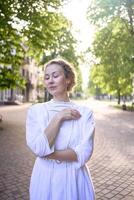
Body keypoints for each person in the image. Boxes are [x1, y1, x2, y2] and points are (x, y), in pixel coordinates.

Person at [26, 58, 95, 200]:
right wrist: (58, 117)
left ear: (68, 79)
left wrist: (46, 154)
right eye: (46, 77)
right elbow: (38, 148)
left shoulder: (85, 113)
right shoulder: (35, 111)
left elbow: (84, 153)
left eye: (55, 76)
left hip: (74, 179)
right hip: (44, 178)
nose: (50, 80)